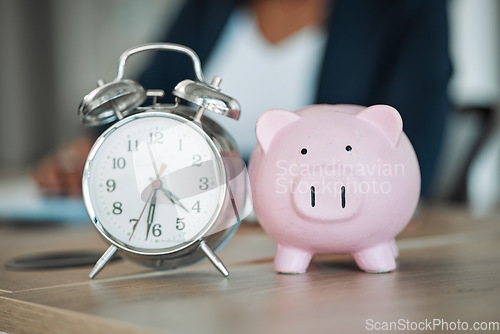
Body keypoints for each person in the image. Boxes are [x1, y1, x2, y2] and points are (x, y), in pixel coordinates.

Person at [34, 0, 451, 197]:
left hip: (324, 252)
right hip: (189, 228)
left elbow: (408, 159)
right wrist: (92, 152)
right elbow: (139, 100)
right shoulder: (205, 9)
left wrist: (203, 181)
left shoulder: (408, 11)